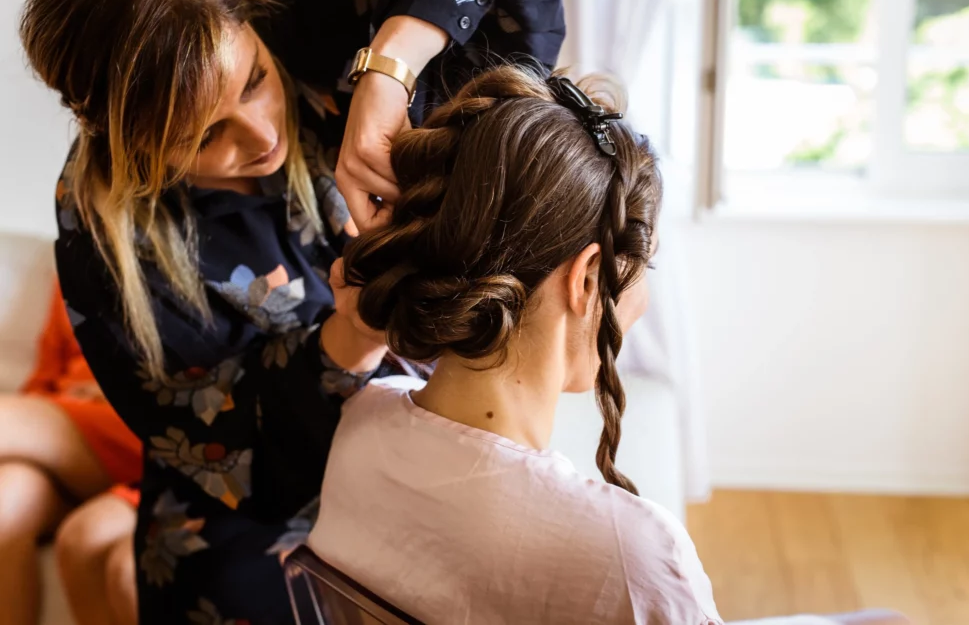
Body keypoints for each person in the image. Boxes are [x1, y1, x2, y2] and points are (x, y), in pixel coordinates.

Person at [19, 0, 564, 623]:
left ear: (240, 15)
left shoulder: (304, 10)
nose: (261, 135)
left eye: (253, 79)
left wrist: (388, 70)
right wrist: (351, 335)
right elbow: (227, 455)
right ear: (128, 143)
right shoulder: (104, 228)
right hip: (244, 516)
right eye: (204, 136)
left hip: (446, 431)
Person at [308, 67, 912, 625]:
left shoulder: (361, 423)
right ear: (587, 279)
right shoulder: (628, 553)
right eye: (644, 267)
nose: (641, 302)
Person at [0, 281, 140, 625]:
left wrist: (121, 393)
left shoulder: (188, 264)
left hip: (128, 425)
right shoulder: (71, 268)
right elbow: (45, 375)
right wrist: (41, 413)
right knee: (6, 497)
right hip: (65, 427)